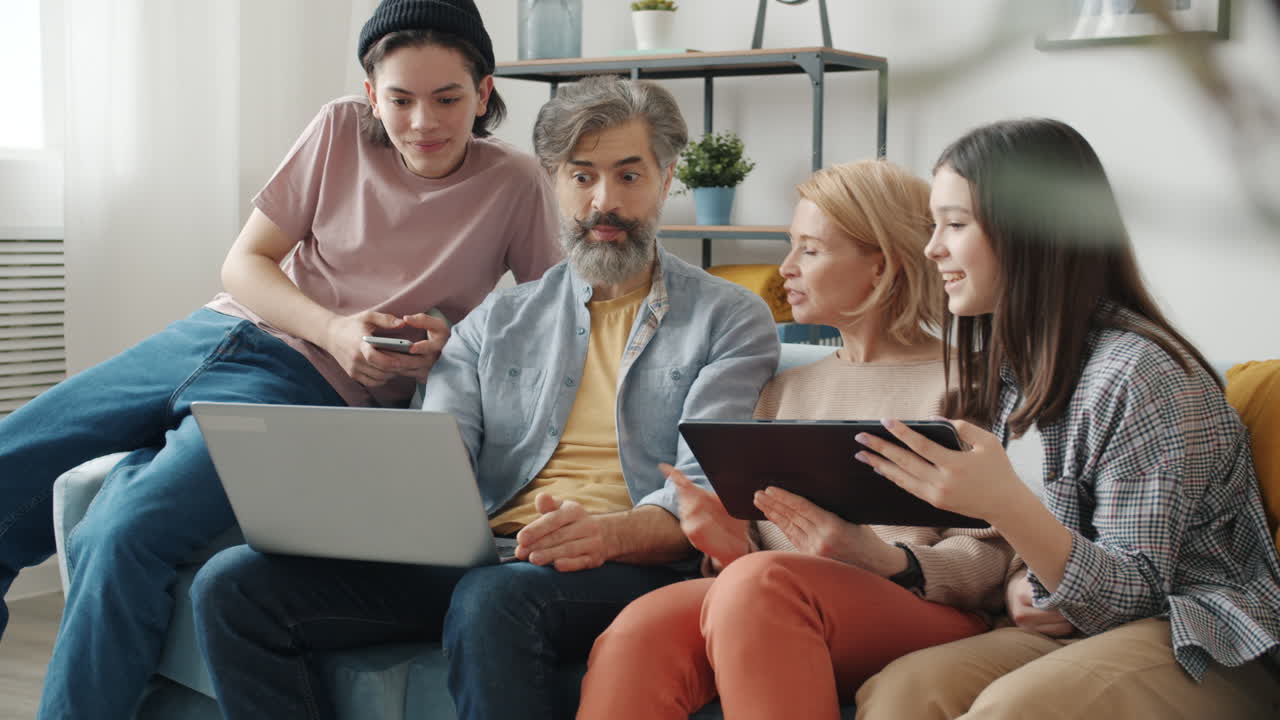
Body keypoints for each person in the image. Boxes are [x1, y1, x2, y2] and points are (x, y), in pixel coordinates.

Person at [0, 0, 562, 717]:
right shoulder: (335, 130)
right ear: (370, 95)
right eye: (400, 99)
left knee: (126, 529)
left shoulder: (513, 183)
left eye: (448, 98)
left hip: (294, 386)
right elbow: (246, 263)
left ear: (483, 93)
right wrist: (332, 327)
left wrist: (453, 340)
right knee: (9, 458)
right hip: (213, 334)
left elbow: (550, 333)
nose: (423, 122)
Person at [187, 75, 780, 720]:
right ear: (553, 183)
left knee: (493, 599)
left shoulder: (731, 319)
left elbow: (705, 490)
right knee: (234, 585)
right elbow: (434, 462)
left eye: (628, 177)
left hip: (627, 564)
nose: (603, 201)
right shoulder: (493, 322)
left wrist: (606, 535)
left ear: (666, 181)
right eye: (581, 177)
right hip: (491, 555)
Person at [851, 118, 1280, 719]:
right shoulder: (1004, 373)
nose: (932, 248)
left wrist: (1007, 508)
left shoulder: (1140, 374)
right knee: (900, 693)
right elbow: (1037, 565)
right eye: (934, 225)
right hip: (1080, 624)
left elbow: (1138, 592)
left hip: (1200, 634)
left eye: (955, 224)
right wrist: (1014, 581)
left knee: (1014, 708)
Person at [576, 159, 1014, 720]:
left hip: (925, 608)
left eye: (809, 250)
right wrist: (727, 547)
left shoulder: (970, 387)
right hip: (769, 600)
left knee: (759, 586)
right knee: (643, 627)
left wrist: (884, 560)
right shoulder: (782, 390)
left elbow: (992, 556)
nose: (784, 268)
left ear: (880, 265)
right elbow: (759, 559)